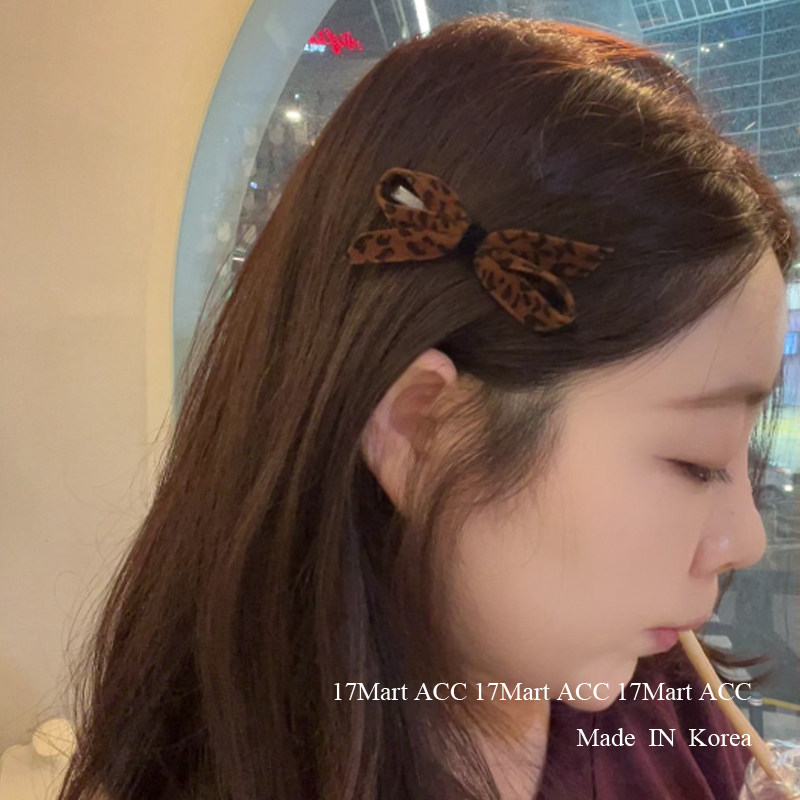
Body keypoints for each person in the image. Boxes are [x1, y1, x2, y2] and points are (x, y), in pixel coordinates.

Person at [57, 13, 798, 800]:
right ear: (424, 427)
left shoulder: (661, 691)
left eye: (742, 458)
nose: (745, 540)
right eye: (696, 460)